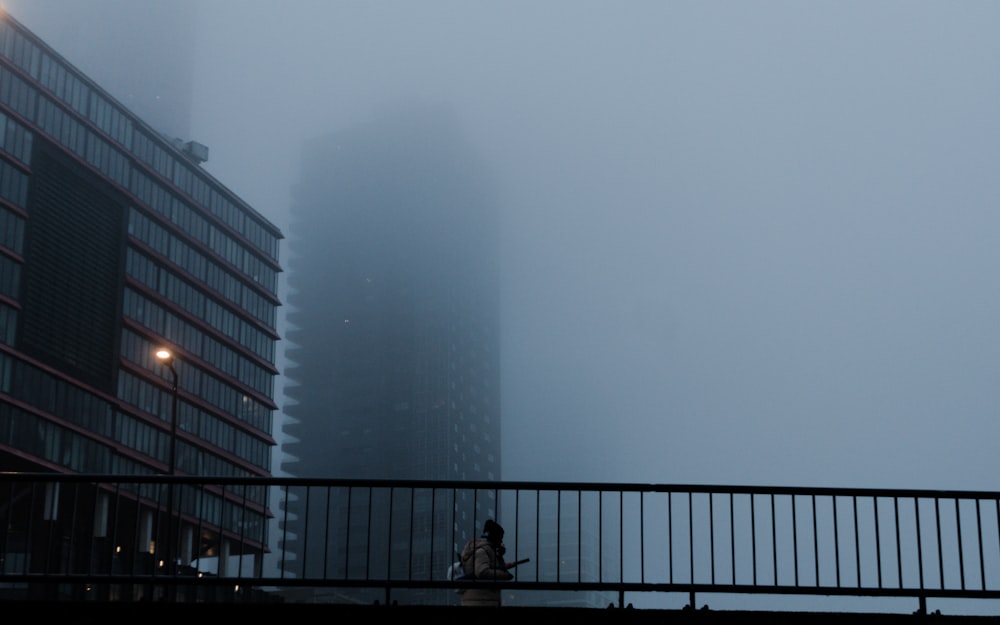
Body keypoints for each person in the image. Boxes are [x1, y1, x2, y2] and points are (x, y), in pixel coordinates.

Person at [458, 519, 513, 607]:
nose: (501, 542)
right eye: (500, 538)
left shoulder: (484, 550)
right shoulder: (482, 551)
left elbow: (495, 568)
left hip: (478, 599)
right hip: (482, 601)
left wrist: (499, 556)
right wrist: (504, 575)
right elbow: (482, 572)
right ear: (495, 537)